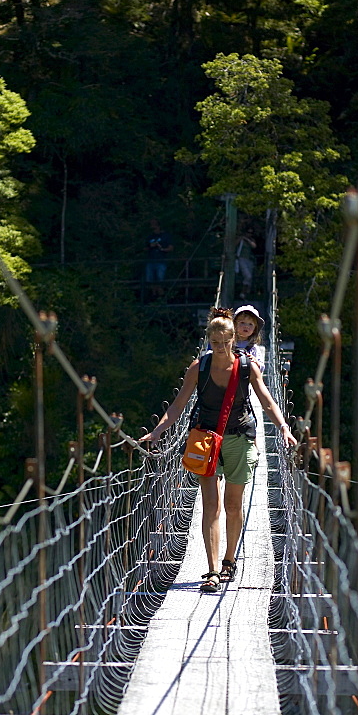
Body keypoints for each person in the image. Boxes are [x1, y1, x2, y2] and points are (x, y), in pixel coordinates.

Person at [139, 309, 296, 594]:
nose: (221, 347)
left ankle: (229, 560)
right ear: (208, 340)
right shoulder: (198, 367)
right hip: (206, 440)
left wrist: (284, 427)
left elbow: (267, 400)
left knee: (234, 505)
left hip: (239, 437)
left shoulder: (248, 367)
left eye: (226, 341)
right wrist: (158, 431)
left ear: (235, 338)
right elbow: (177, 405)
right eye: (215, 341)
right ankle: (211, 571)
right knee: (211, 505)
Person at [145, 218, 173, 297]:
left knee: (160, 280)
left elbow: (171, 247)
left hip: (161, 261)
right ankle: (153, 297)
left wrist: (162, 249)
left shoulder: (165, 236)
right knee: (151, 281)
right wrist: (151, 246)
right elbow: (145, 248)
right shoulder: (150, 237)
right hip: (150, 261)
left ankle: (161, 298)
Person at [234, 303, 265, 372]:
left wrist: (256, 361)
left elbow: (262, 367)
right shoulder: (229, 344)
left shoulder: (253, 348)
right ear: (234, 324)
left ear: (254, 329)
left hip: (246, 380)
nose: (246, 326)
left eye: (250, 324)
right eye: (242, 323)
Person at [235, 228, 257, 298]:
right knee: (248, 276)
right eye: (248, 233)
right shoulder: (241, 239)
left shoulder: (251, 240)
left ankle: (246, 293)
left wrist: (247, 240)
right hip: (241, 259)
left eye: (251, 233)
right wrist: (242, 238)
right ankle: (243, 292)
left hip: (249, 260)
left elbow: (254, 246)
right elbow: (234, 244)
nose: (249, 234)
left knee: (250, 278)